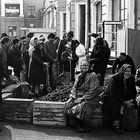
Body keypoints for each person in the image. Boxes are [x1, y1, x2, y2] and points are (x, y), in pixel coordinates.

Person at [64, 59, 100, 132]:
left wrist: (82, 98)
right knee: (68, 106)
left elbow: (93, 90)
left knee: (82, 107)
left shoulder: (93, 75)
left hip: (91, 98)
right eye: (83, 65)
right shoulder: (79, 76)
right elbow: (74, 88)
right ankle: (78, 123)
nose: (84, 67)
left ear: (89, 66)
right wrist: (72, 97)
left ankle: (86, 126)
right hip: (79, 96)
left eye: (86, 65)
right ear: (80, 67)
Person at [102, 64, 137, 134]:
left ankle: (128, 124)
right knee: (116, 105)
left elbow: (133, 92)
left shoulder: (131, 78)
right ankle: (116, 126)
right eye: (126, 71)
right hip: (110, 97)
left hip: (123, 97)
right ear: (122, 71)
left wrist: (131, 100)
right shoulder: (116, 78)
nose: (128, 73)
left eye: (129, 71)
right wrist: (124, 102)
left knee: (134, 104)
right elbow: (113, 93)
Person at [0, 36, 10, 132]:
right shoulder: (1, 48)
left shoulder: (2, 48)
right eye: (8, 42)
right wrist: (4, 75)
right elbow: (2, 62)